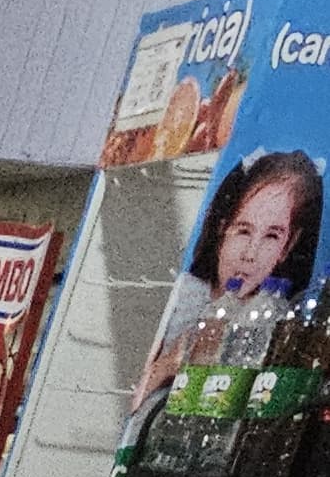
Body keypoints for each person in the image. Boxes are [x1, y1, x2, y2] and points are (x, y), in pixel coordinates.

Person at [135, 148, 323, 406]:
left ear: (288, 246)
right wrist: (172, 361)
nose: (250, 254)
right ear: (222, 228)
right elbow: (132, 401)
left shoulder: (274, 319)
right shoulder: (185, 293)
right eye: (243, 231)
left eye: (272, 236)